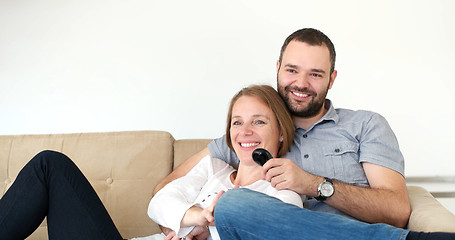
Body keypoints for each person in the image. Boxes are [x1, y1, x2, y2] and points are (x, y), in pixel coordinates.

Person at [153, 28, 455, 239]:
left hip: (346, 234)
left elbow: (397, 211)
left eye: (315, 74)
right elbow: (166, 189)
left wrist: (313, 184)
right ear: (278, 68)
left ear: (332, 79)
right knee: (235, 205)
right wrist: (182, 224)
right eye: (292, 70)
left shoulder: (365, 125)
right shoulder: (249, 135)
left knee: (235, 205)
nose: (300, 83)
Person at [139, 85, 302, 240]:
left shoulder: (284, 194)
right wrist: (200, 219)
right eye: (237, 122)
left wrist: (205, 228)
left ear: (281, 132)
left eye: (258, 122)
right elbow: (158, 203)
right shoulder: (213, 167)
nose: (244, 131)